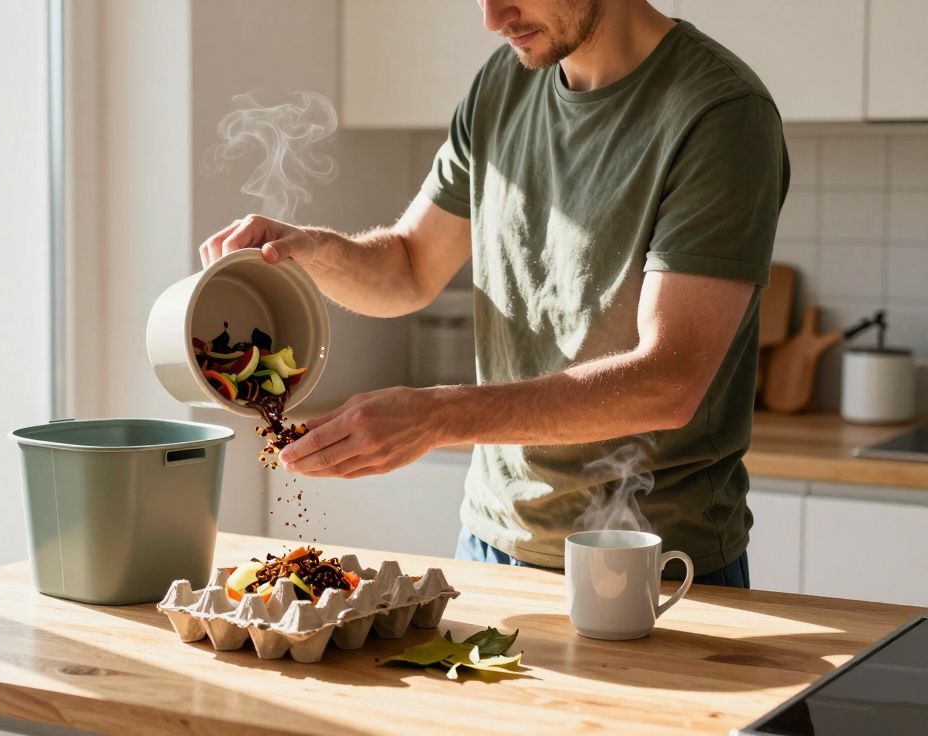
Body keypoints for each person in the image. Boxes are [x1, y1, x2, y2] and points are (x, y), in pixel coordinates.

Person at [198, 0, 788, 588]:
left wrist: (436, 416)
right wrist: (310, 248)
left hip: (654, 564)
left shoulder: (721, 112)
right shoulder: (505, 82)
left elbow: (668, 381)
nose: (492, 16)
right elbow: (408, 265)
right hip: (489, 543)